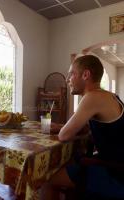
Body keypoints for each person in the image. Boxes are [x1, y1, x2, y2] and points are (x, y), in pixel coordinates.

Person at [40, 55, 124, 199]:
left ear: (85, 75)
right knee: (71, 160)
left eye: (71, 73)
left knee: (45, 179)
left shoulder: (92, 97)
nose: (67, 79)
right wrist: (62, 127)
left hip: (116, 175)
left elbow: (63, 136)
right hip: (116, 165)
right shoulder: (110, 96)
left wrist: (62, 129)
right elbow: (87, 128)